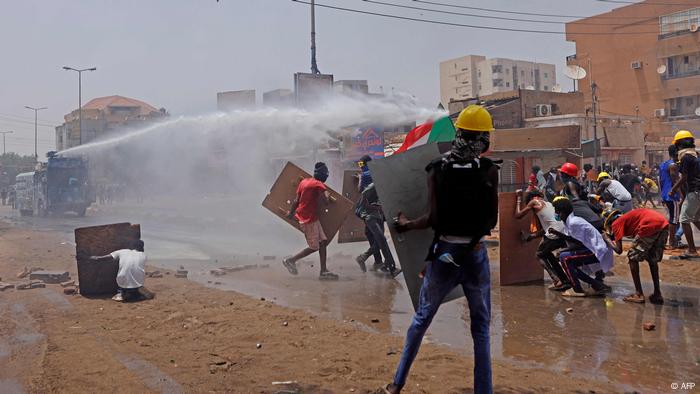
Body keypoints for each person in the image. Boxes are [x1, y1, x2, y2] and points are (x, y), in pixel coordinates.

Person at [386, 105, 497, 394]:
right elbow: (490, 220)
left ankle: (397, 384)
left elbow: (432, 219)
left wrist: (405, 224)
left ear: (459, 134)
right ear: (482, 139)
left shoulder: (438, 168)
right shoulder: (488, 170)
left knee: (421, 319)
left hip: (446, 255)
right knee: (481, 330)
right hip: (475, 255)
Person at [282, 162, 339, 280]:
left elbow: (295, 201)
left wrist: (291, 213)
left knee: (323, 242)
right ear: (323, 175)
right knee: (314, 247)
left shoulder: (304, 182)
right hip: (308, 219)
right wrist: (327, 193)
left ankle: (323, 271)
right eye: (326, 175)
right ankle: (290, 260)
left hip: (308, 217)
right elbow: (326, 201)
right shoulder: (319, 185)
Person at [601, 208, 667, 304]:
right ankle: (657, 294)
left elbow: (619, 250)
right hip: (663, 224)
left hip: (649, 224)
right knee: (652, 259)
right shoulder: (627, 218)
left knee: (632, 257)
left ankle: (638, 294)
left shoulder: (616, 223)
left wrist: (606, 238)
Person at [550, 197, 612, 297]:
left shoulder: (574, 222)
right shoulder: (569, 221)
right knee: (569, 262)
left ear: (563, 212)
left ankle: (577, 289)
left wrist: (563, 250)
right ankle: (597, 285)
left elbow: (579, 243)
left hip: (596, 250)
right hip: (591, 248)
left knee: (564, 258)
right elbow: (574, 239)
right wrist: (558, 234)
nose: (556, 214)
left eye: (557, 211)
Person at [515, 189, 570, 291]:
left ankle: (557, 280)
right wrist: (531, 237)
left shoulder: (534, 202)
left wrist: (518, 198)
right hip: (563, 231)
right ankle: (564, 280)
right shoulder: (548, 204)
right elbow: (544, 230)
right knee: (547, 254)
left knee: (539, 254)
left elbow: (518, 215)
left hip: (555, 232)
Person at [354, 156, 400, 276]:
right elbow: (364, 200)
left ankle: (374, 261)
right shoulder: (374, 184)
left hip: (375, 213)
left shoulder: (381, 184)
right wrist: (377, 208)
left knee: (374, 237)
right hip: (370, 214)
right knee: (381, 239)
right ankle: (390, 267)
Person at [669, 130, 700, 258]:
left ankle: (692, 250)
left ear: (679, 145)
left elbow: (684, 177)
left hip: (694, 191)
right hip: (698, 191)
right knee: (696, 219)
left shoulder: (686, 157)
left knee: (684, 219)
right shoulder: (695, 155)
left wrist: (673, 189)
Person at [660, 145, 682, 248]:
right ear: (676, 153)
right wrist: (681, 195)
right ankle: (672, 242)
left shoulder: (663, 164)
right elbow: (675, 181)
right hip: (672, 196)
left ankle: (666, 241)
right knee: (674, 219)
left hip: (665, 195)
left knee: (671, 218)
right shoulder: (673, 165)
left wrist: (661, 195)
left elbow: (660, 180)